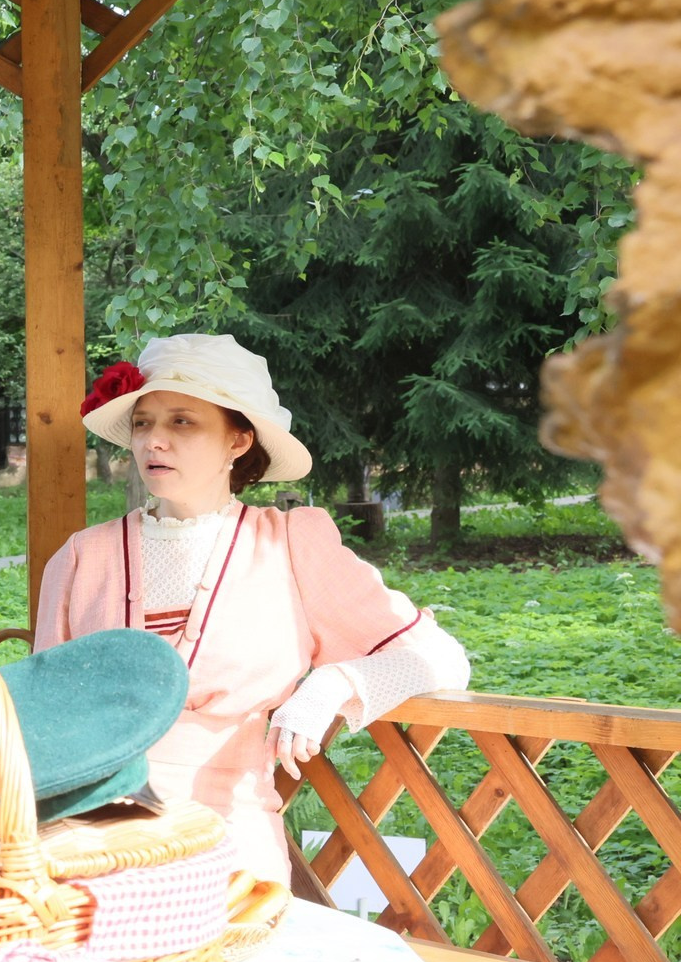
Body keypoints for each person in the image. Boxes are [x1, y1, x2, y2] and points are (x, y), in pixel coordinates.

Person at [35, 333, 471, 885]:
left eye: (182, 422)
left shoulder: (289, 543)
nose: (154, 442)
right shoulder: (83, 555)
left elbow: (442, 659)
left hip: (228, 838)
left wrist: (332, 684)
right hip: (88, 836)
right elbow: (41, 717)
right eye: (143, 423)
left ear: (237, 442)